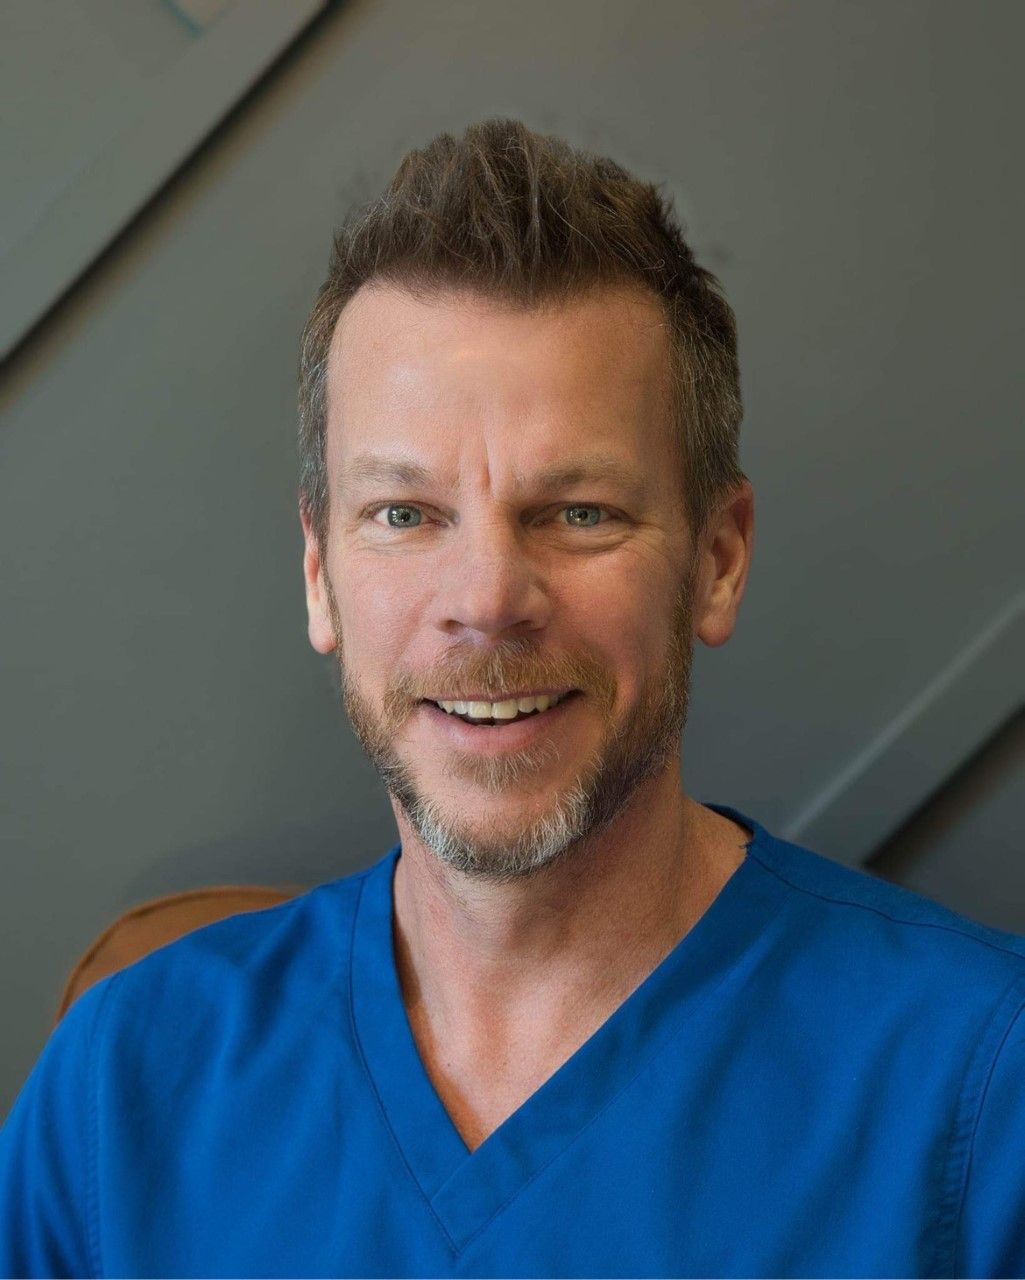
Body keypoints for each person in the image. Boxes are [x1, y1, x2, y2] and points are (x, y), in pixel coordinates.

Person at [1, 117, 1023, 1280]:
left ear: (718, 557)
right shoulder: (123, 1086)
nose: (485, 599)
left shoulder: (982, 1090)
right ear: (317, 572)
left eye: (577, 510)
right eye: (403, 513)